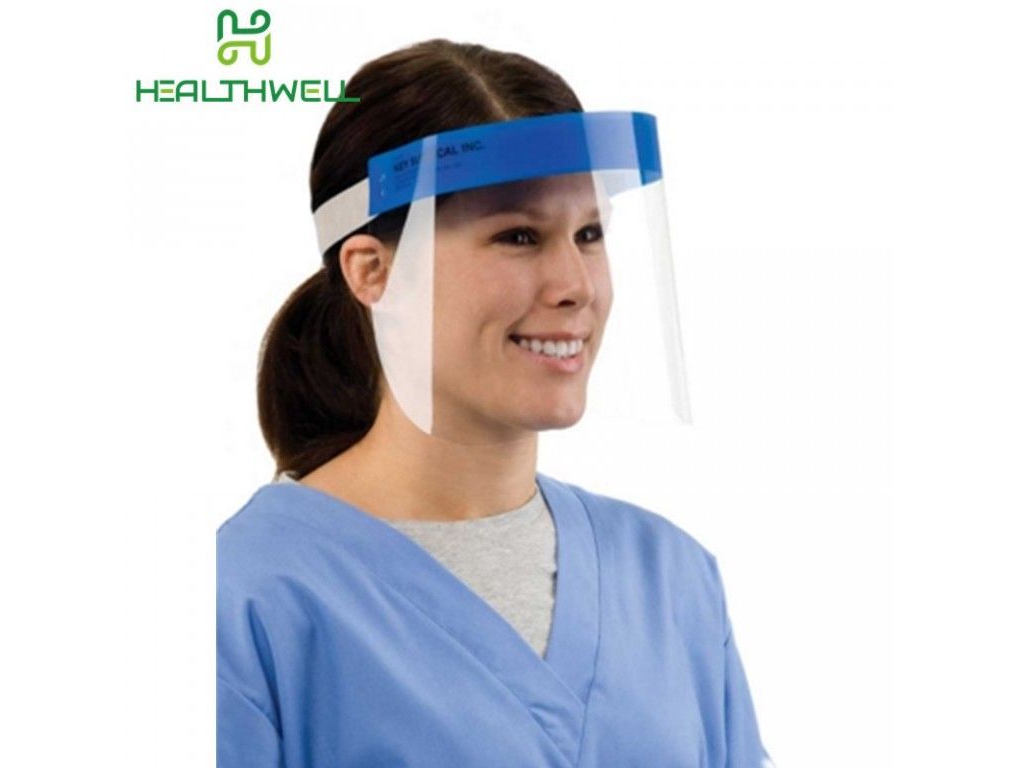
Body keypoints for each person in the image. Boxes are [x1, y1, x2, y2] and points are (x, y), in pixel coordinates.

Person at [218, 38, 774, 768]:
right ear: (372, 271)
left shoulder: (669, 579)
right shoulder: (247, 597)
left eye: (589, 234)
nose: (575, 285)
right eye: (519, 235)